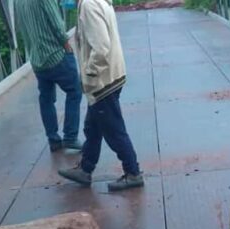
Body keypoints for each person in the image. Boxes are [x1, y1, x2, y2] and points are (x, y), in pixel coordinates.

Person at [57, 0, 143, 192]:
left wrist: (89, 73)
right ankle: (85, 169)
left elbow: (101, 47)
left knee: (114, 130)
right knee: (93, 127)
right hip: (112, 75)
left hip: (103, 81)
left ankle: (133, 173)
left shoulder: (88, 5)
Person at [15, 0, 83, 152]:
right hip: (56, 55)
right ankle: (70, 137)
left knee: (46, 99)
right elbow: (56, 23)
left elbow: (23, 30)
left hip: (37, 60)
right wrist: (67, 47)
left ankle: (53, 140)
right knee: (75, 91)